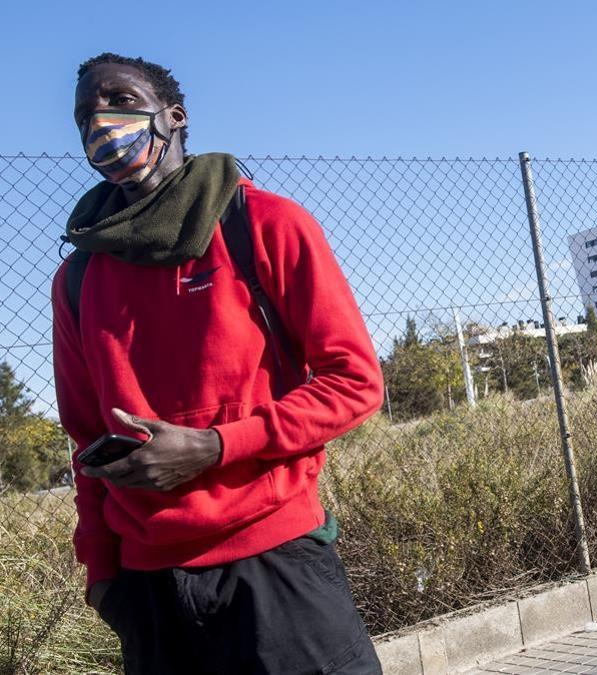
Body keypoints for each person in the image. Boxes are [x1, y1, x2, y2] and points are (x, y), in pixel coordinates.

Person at [54, 53, 384, 673]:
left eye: (121, 101)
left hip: (278, 564)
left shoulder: (263, 224)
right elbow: (84, 439)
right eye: (84, 117)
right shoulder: (76, 277)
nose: (101, 122)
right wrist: (103, 574)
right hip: (148, 588)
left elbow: (355, 381)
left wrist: (215, 446)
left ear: (173, 117)